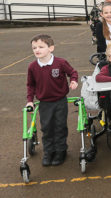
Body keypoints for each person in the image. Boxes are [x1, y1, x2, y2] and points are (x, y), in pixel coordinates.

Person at [26, 34, 78, 167]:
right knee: (47, 128)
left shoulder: (60, 63)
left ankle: (61, 151)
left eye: (41, 47)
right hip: (44, 103)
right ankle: (49, 152)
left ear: (51, 48)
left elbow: (72, 72)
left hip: (60, 101)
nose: (37, 50)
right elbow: (30, 85)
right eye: (34, 48)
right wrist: (30, 100)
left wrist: (73, 81)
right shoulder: (32, 67)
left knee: (60, 127)